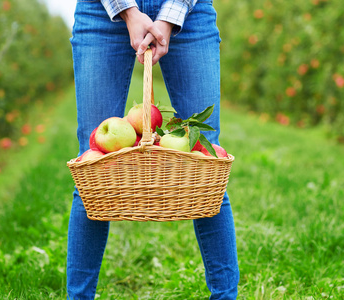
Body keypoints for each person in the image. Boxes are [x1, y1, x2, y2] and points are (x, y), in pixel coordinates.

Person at [67, 0, 240, 298]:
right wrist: (127, 11)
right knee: (91, 173)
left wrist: (170, 17)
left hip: (189, 10)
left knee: (206, 166)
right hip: (102, 12)